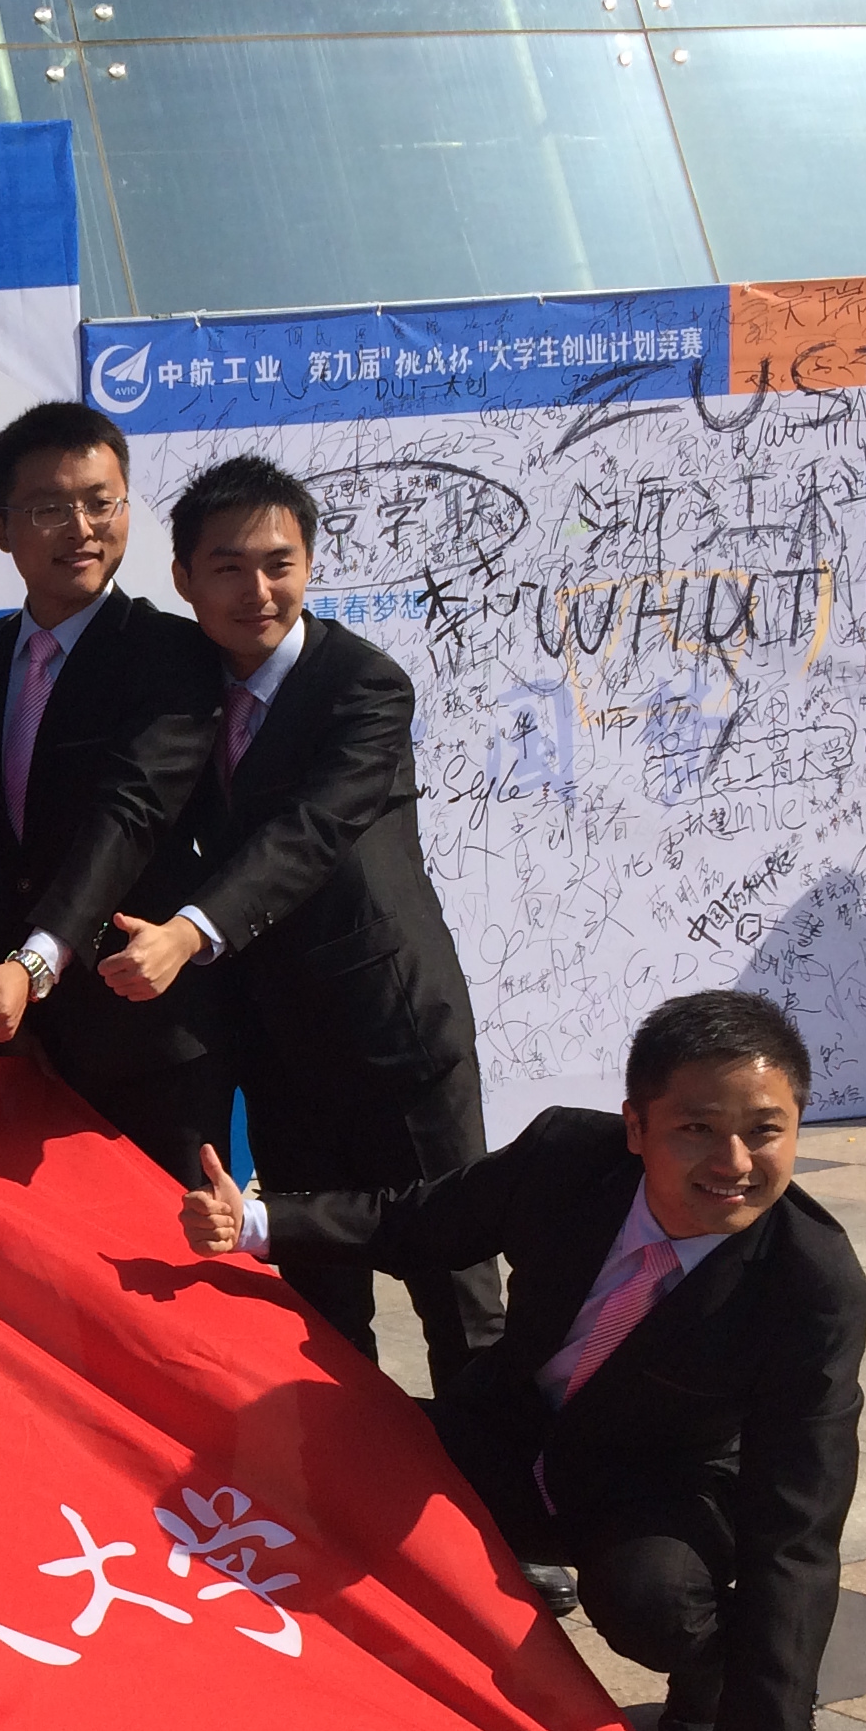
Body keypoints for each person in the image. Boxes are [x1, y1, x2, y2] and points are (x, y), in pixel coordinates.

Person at [181, 990, 866, 1731]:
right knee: (343, 1446)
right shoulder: (566, 1157)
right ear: (636, 1126)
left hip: (661, 1483)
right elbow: (420, 1221)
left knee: (653, 1601)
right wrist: (256, 1224)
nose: (733, 1163)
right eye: (697, 1129)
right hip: (510, 1430)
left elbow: (800, 1518)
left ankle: (706, 1687)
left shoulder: (814, 1287)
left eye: (765, 1131)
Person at [104, 454, 502, 1381]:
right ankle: (344, 1472)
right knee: (321, 1313)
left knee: (458, 1294)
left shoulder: (363, 685)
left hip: (396, 1037)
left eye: (278, 564)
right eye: (229, 568)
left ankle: (492, 1472)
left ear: (310, 565)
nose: (257, 591)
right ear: (184, 579)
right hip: (280, 1054)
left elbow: (310, 832)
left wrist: (187, 932)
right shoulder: (181, 688)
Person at [0, 403, 227, 1181]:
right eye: (48, 509)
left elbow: (128, 816)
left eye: (101, 503)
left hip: (150, 1041)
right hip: (19, 1039)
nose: (81, 529)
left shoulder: (173, 655)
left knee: (169, 1247)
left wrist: (31, 966)